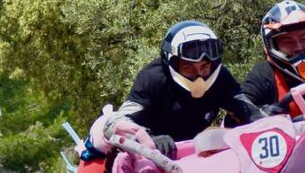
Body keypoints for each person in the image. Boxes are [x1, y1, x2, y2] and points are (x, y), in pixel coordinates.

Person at [104, 20, 262, 155]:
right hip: (152, 161)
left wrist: (269, 121)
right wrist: (147, 138)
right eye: (188, 67)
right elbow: (114, 123)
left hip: (194, 159)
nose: (198, 75)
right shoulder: (153, 79)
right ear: (172, 63)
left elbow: (249, 111)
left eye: (204, 66)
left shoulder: (221, 78)